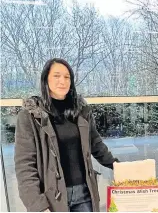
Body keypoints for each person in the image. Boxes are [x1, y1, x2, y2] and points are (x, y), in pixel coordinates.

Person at [14, 58, 118, 212]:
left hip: (84, 195)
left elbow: (96, 145)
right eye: (56, 76)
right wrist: (37, 205)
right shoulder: (29, 116)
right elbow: (25, 166)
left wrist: (119, 166)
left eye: (67, 77)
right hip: (52, 199)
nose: (62, 81)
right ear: (45, 79)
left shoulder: (82, 111)